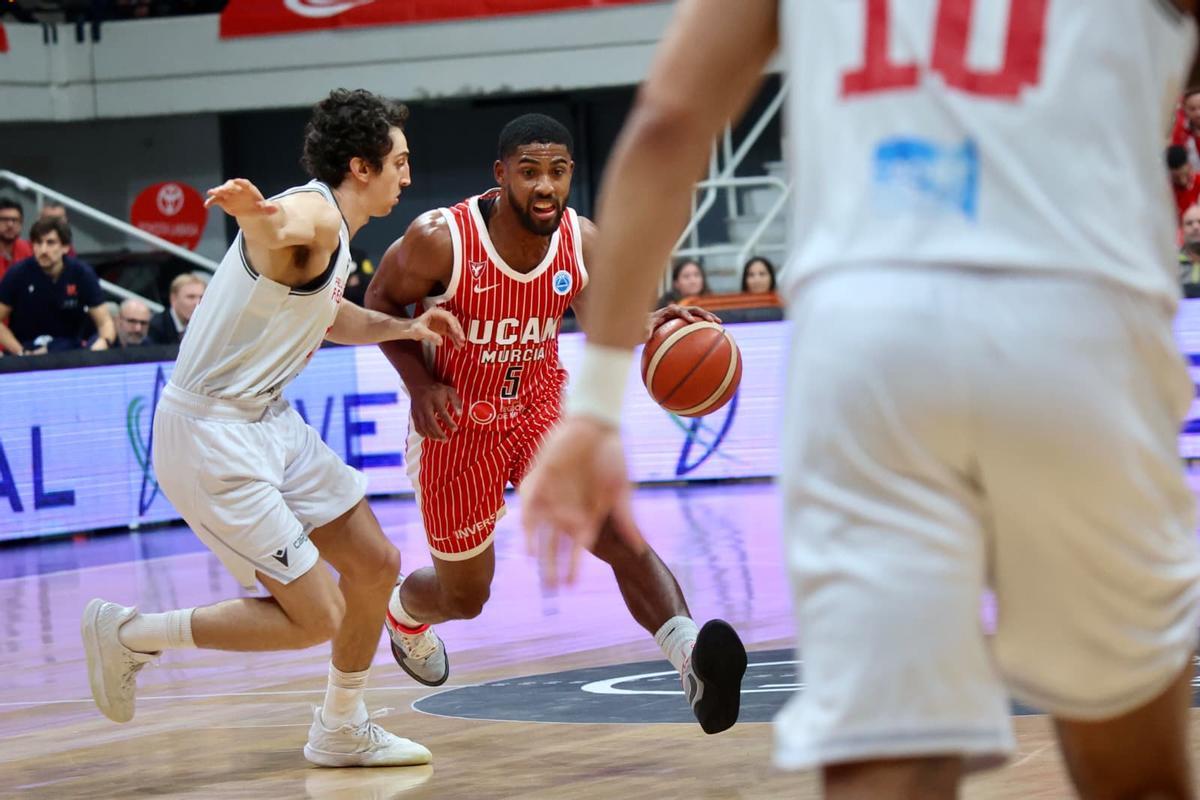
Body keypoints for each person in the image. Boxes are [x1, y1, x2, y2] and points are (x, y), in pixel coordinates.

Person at [520, 2, 1200, 798]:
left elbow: (671, 121)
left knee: (888, 763)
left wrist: (598, 401)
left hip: (870, 342)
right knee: (1132, 758)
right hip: (1076, 315)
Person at [80, 89, 465, 768]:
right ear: (362, 167)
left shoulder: (337, 234)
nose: (409, 175)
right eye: (399, 162)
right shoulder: (313, 214)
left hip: (269, 418)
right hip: (211, 434)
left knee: (376, 565)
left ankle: (341, 726)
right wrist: (257, 217)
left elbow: (328, 314)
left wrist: (405, 325)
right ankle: (132, 634)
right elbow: (281, 228)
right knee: (318, 616)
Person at [365, 112, 748, 735]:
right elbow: (379, 302)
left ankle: (690, 660)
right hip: (458, 426)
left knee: (617, 534)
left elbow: (605, 320)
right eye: (530, 172)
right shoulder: (441, 238)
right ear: (501, 175)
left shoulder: (581, 240)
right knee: (467, 595)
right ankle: (404, 614)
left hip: (541, 410)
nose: (545, 186)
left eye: (559, 172)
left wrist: (657, 322)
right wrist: (420, 383)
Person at [0, 216, 114, 354]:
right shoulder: (17, 274)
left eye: (50, 243)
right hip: (26, 351)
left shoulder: (81, 273)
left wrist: (102, 344)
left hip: (69, 352)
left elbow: (104, 322)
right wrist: (21, 352)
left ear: (65, 247)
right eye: (38, 243)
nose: (43, 250)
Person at [147, 272, 205, 344]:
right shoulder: (156, 327)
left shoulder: (203, 328)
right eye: (190, 297)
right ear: (173, 298)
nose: (197, 303)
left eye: (201, 298)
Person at [0, 197, 32, 279]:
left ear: (21, 223)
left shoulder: (30, 249)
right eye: (4, 219)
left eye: (15, 220)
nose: (10, 224)